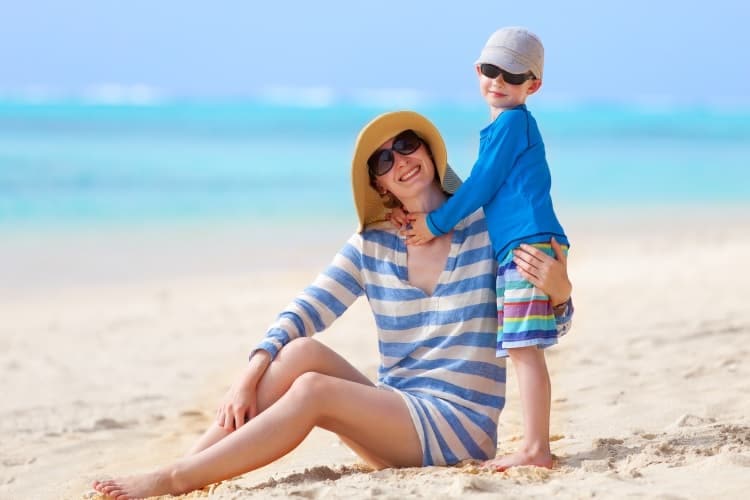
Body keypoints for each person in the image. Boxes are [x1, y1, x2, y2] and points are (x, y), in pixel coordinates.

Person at [92, 110, 573, 499]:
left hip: (459, 426)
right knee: (298, 354)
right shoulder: (373, 245)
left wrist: (561, 292)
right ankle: (187, 466)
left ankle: (176, 482)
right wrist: (251, 370)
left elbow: (535, 322)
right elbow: (307, 309)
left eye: (406, 144)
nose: (399, 160)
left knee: (314, 390)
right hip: (395, 419)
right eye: (382, 161)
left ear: (428, 150)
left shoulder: (485, 230)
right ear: (379, 185)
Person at [398, 27, 570, 471]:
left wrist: (435, 222)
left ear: (533, 85)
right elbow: (482, 187)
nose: (498, 81)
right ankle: (535, 444)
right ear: (477, 70)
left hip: (527, 245)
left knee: (523, 348)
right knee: (521, 345)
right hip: (520, 244)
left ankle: (536, 449)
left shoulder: (514, 123)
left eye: (512, 76)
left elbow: (482, 183)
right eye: (491, 70)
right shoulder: (502, 126)